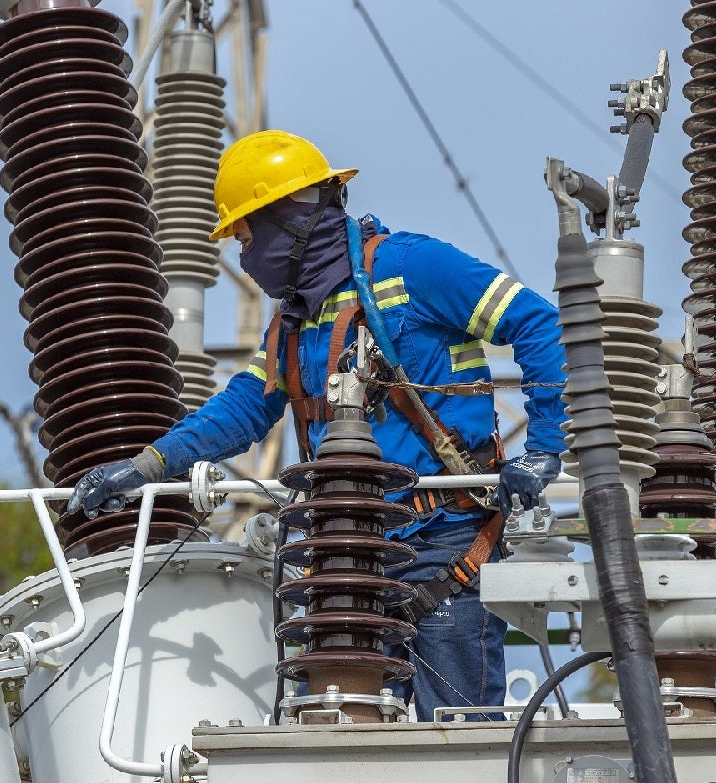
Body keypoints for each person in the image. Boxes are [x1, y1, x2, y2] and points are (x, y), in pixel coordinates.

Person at [67, 129, 567, 721]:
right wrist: (146, 465)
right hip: (348, 556)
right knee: (342, 731)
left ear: (289, 221)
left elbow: (540, 324)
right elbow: (245, 406)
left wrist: (543, 450)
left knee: (457, 735)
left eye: (248, 238)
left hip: (447, 543)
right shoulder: (294, 325)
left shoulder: (415, 268)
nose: (246, 259)